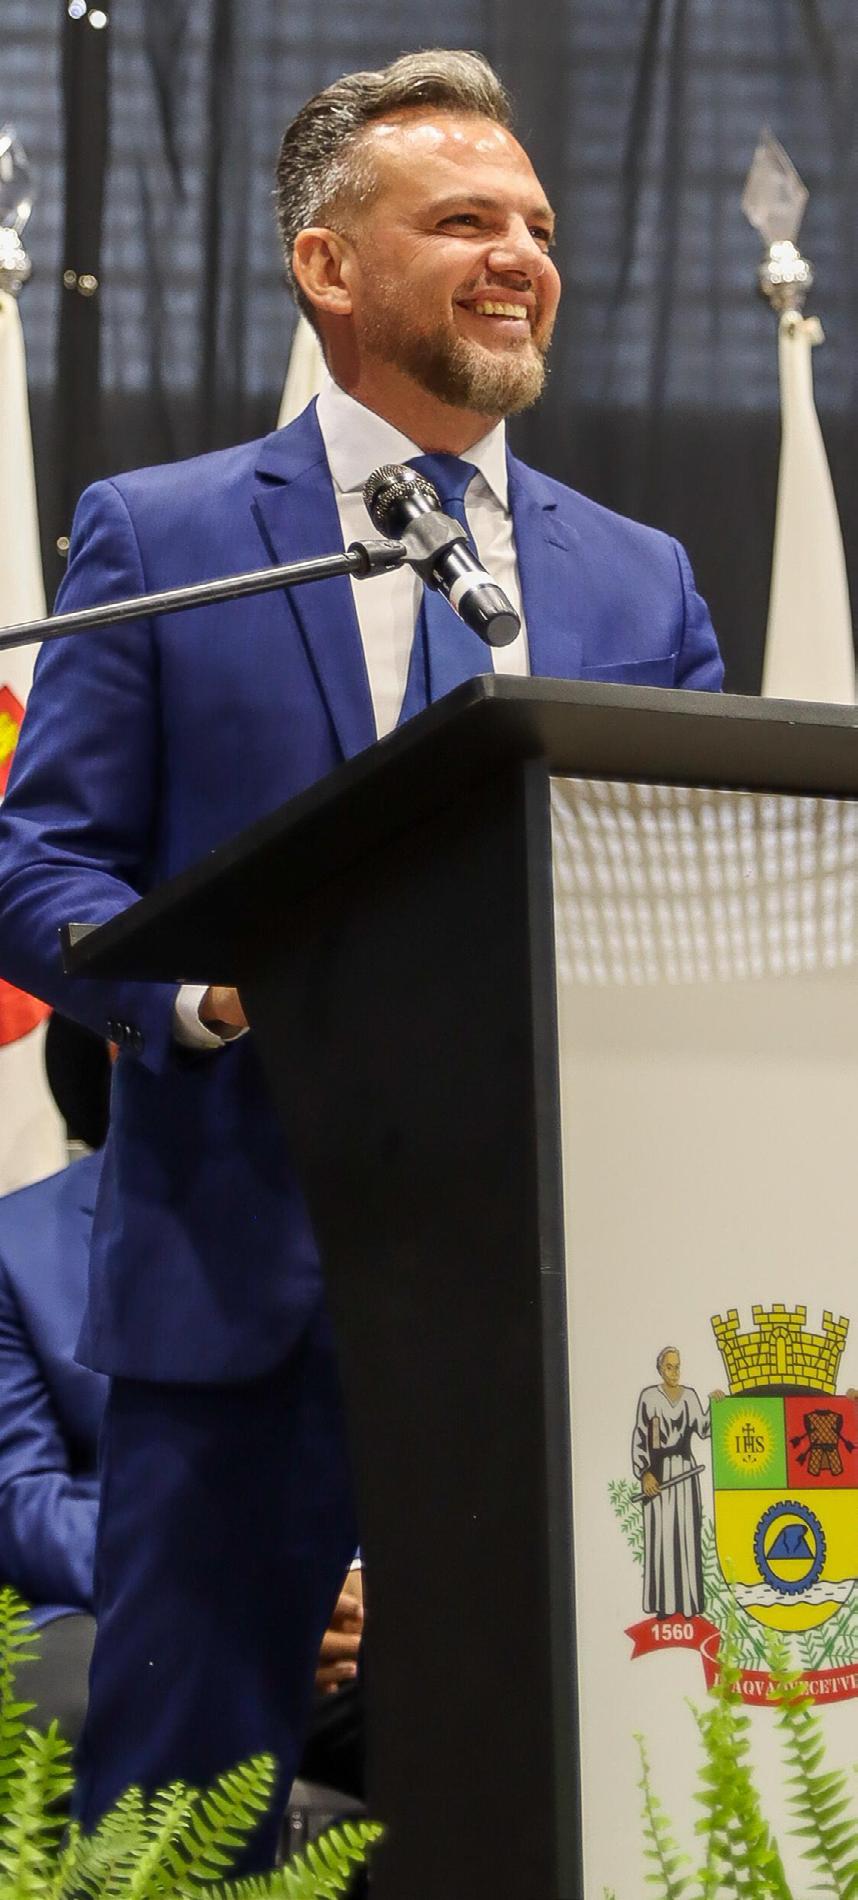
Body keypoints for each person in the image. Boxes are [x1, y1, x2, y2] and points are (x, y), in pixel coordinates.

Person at [0, 48, 722, 1866]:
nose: (520, 256)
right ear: (326, 265)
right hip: (233, 1293)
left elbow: (695, 875)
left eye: (535, 224)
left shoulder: (636, 577)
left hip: (551, 1307)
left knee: (556, 1791)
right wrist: (196, 996)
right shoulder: (167, 538)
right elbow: (41, 865)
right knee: (185, 1820)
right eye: (463, 220)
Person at [632, 1347, 712, 1619]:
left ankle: (688, 1604)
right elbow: (640, 1437)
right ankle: (664, 1605)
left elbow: (704, 1428)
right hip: (658, 1474)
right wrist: (645, 1473)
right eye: (669, 1367)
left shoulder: (689, 1396)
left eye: (677, 1366)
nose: (674, 1372)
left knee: (687, 1533)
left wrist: (716, 1405)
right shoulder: (649, 1397)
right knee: (662, 1536)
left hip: (685, 1471)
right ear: (660, 1368)